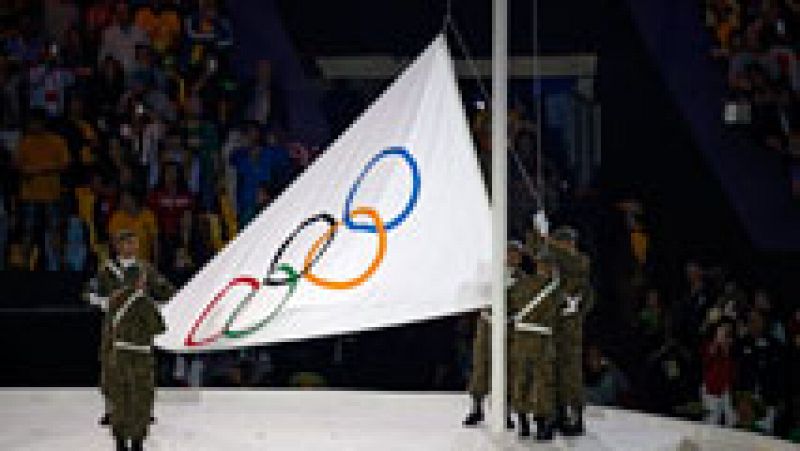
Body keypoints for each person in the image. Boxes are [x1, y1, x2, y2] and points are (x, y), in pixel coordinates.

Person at [95, 229, 175, 451]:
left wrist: (151, 302)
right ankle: (113, 411)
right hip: (114, 329)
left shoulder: (145, 269)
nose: (131, 247)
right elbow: (91, 292)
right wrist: (104, 301)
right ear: (118, 245)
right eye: (126, 243)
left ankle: (139, 415)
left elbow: (166, 290)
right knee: (112, 377)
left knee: (138, 381)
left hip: (138, 329)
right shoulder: (108, 270)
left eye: (134, 243)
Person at [509, 230, 560, 442]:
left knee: (524, 379)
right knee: (541, 382)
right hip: (540, 340)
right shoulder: (554, 288)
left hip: (524, 338)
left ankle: (525, 421)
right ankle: (538, 423)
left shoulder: (522, 284)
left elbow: (511, 305)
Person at [550, 225, 593, 437]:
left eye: (565, 242)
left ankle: (576, 416)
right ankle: (560, 413)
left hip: (571, 329)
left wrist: (548, 240)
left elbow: (571, 262)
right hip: (556, 326)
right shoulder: (558, 268)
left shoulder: (580, 261)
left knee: (572, 373)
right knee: (555, 370)